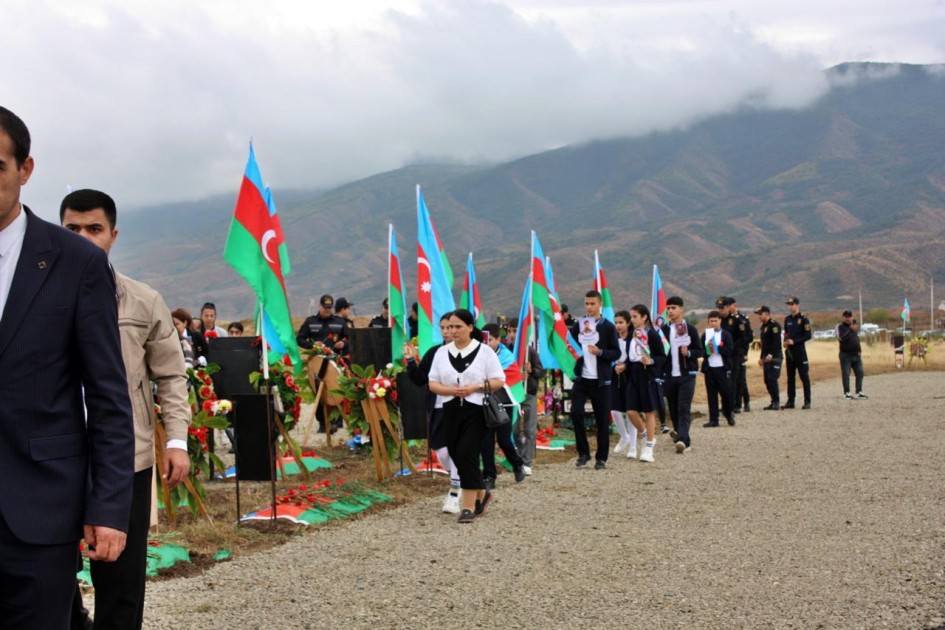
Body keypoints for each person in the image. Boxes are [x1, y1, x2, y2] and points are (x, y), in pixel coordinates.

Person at [0, 105, 134, 627]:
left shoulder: (75, 262)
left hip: (38, 512)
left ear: (25, 169)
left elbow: (107, 396)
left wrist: (108, 508)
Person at [61, 189, 192, 630]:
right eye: (72, 229)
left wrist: (176, 440)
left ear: (113, 235)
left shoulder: (142, 301)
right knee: (49, 580)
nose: (83, 238)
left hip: (123, 460)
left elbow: (172, 376)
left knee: (120, 584)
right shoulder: (38, 298)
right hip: (52, 459)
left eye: (93, 229)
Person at [427, 309, 505, 523]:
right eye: (450, 327)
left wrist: (477, 387)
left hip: (477, 409)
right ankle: (482, 493)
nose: (453, 331)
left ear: (470, 327)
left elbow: (499, 380)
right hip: (450, 409)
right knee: (456, 453)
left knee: (467, 451)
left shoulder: (485, 352)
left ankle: (468, 506)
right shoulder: (441, 353)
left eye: (458, 326)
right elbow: (432, 382)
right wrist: (449, 390)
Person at [403, 313, 462, 514]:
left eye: (451, 327)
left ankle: (455, 492)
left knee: (457, 450)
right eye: (443, 328)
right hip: (437, 408)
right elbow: (420, 379)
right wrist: (411, 361)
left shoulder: (468, 351)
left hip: (461, 408)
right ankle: (459, 477)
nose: (447, 331)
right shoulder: (435, 352)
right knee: (442, 452)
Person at [568, 290, 621, 470]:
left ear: (600, 305)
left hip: (601, 381)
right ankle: (583, 453)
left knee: (601, 420)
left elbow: (616, 352)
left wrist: (601, 353)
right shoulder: (579, 325)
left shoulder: (608, 327)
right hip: (582, 379)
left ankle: (601, 458)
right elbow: (571, 347)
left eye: (592, 304)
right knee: (576, 413)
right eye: (586, 304)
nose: (589, 307)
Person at [481, 323, 527, 487]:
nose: (487, 343)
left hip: (504, 402)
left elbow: (509, 376)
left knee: (504, 440)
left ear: (498, 340)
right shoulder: (478, 354)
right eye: (484, 339)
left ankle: (517, 464)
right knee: (485, 441)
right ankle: (489, 476)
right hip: (484, 402)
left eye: (490, 340)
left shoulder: (506, 356)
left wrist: (487, 380)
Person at [622, 305, 667, 463]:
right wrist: (623, 365)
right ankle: (645, 434)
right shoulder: (631, 335)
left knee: (649, 411)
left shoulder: (652, 335)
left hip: (647, 374)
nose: (632, 320)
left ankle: (648, 446)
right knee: (631, 411)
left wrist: (652, 360)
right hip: (633, 375)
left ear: (644, 317)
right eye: (631, 317)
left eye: (635, 317)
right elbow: (630, 356)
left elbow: (662, 356)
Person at [661, 296, 703, 453]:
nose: (670, 311)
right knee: (673, 409)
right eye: (668, 308)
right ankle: (683, 437)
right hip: (669, 376)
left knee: (683, 407)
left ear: (681, 309)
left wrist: (689, 352)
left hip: (687, 375)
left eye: (673, 308)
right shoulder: (663, 330)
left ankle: (682, 440)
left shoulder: (689, 329)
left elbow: (699, 351)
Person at [506, 317, 544, 475]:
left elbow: (541, 371)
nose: (512, 334)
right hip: (512, 395)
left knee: (529, 428)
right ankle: (519, 456)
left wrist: (532, 371)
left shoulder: (530, 351)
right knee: (513, 430)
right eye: (509, 331)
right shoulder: (505, 351)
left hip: (528, 393)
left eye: (515, 331)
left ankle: (527, 461)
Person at [701, 310, 735, 427]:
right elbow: (701, 351)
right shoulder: (706, 335)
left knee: (726, 393)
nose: (713, 323)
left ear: (720, 321)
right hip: (710, 368)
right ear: (708, 322)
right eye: (711, 321)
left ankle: (728, 413)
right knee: (712, 395)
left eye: (716, 320)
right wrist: (707, 350)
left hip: (722, 368)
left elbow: (730, 350)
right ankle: (714, 419)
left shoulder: (726, 335)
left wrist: (717, 348)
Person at [610, 311, 636, 458]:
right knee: (614, 410)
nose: (618, 326)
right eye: (616, 323)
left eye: (621, 322)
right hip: (615, 376)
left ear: (628, 323)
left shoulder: (633, 338)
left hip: (630, 377)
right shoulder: (613, 339)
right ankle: (624, 436)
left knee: (630, 411)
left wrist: (625, 365)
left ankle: (633, 446)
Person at [782, 296, 812, 409]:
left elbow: (808, 335)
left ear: (797, 305)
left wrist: (794, 341)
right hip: (790, 353)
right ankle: (791, 401)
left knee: (804, 376)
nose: (790, 307)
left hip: (800, 351)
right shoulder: (787, 319)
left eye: (792, 304)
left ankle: (807, 401)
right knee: (790, 377)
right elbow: (786, 333)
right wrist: (785, 341)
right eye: (789, 305)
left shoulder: (804, 319)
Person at [754, 305, 782, 410]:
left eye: (760, 314)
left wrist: (771, 354)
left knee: (772, 379)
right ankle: (773, 400)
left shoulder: (774, 326)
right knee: (767, 380)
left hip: (775, 357)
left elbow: (776, 342)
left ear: (767, 314)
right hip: (766, 357)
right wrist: (762, 357)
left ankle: (777, 402)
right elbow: (764, 345)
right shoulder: (763, 327)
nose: (759, 317)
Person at [837, 310, 867, 399]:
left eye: (849, 316)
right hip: (845, 355)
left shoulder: (854, 328)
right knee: (846, 374)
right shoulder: (840, 327)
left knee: (860, 373)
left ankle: (859, 391)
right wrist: (850, 330)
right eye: (846, 316)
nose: (848, 318)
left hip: (856, 355)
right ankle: (846, 393)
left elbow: (856, 340)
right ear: (843, 317)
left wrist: (859, 350)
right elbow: (841, 338)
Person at [729, 297, 753, 413]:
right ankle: (732, 403)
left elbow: (748, 338)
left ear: (734, 305)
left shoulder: (743, 319)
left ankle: (745, 402)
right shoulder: (726, 320)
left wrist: (745, 353)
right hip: (730, 354)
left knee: (740, 379)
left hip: (740, 352)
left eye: (729, 305)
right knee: (732, 379)